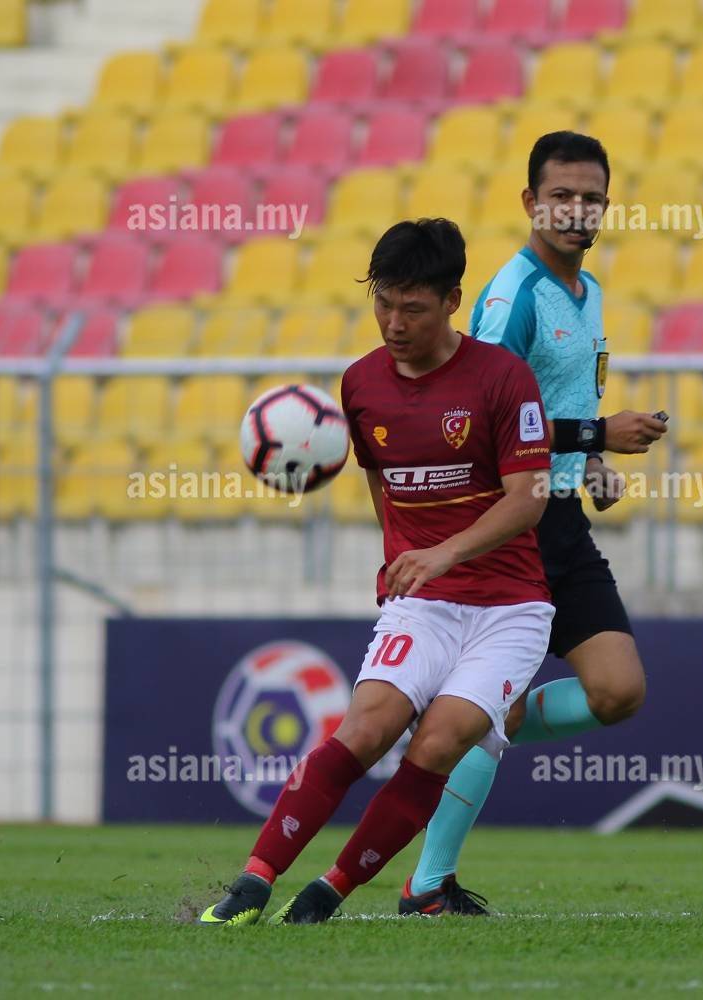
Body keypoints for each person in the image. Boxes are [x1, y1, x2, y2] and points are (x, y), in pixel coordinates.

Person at [198, 218, 555, 925]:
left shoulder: (502, 378)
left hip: (510, 609)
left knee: (439, 740)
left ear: (454, 300)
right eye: (383, 303)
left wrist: (442, 551)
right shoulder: (359, 384)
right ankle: (251, 883)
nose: (394, 323)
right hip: (422, 601)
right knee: (363, 728)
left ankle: (328, 891)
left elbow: (529, 500)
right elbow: (381, 478)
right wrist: (399, 553)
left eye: (412, 308)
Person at [400, 131, 669, 916]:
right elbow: (475, 417)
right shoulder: (512, 296)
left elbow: (555, 406)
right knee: (509, 705)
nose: (576, 210)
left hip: (562, 518)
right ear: (530, 202)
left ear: (605, 206)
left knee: (619, 691)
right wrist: (598, 436)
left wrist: (588, 463)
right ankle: (427, 884)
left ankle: (491, 716)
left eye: (591, 198)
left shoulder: (589, 295)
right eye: (562, 195)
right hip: (509, 524)